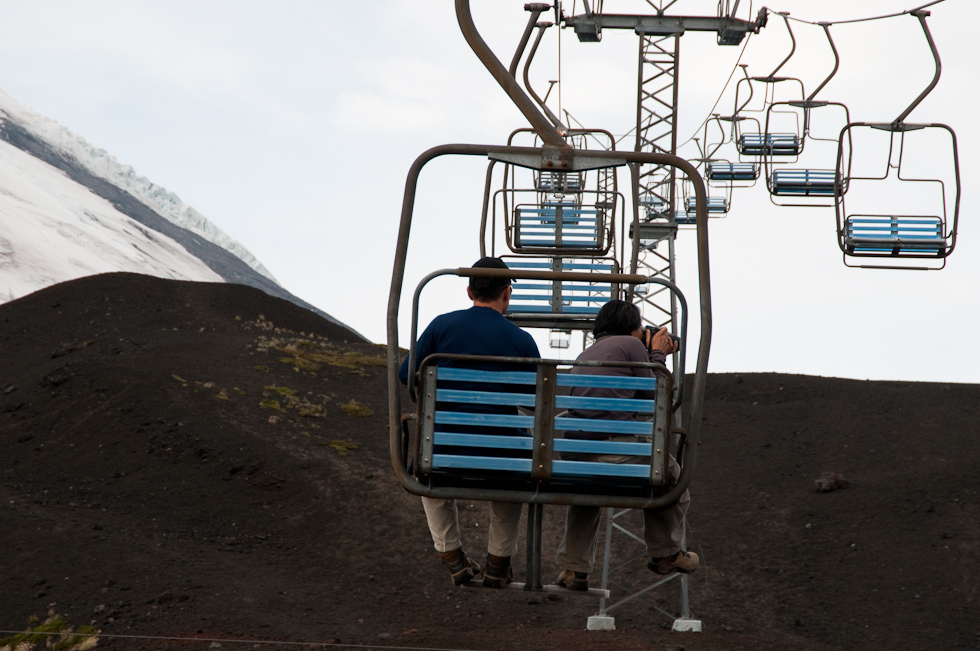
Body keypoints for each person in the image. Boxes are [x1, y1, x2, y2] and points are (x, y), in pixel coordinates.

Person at [399, 257, 540, 588]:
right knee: (513, 479)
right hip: (502, 455)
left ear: (468, 291)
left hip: (444, 448)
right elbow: (535, 398)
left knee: (428, 471)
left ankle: (451, 555)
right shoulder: (522, 340)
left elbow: (408, 375)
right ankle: (498, 563)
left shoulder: (440, 326)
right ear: (507, 294)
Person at [553, 299, 699, 591]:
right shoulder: (630, 346)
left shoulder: (586, 353)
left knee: (587, 493)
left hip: (576, 456)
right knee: (673, 477)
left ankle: (574, 568)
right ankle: (665, 554)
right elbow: (657, 399)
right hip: (615, 454)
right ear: (632, 329)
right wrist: (657, 354)